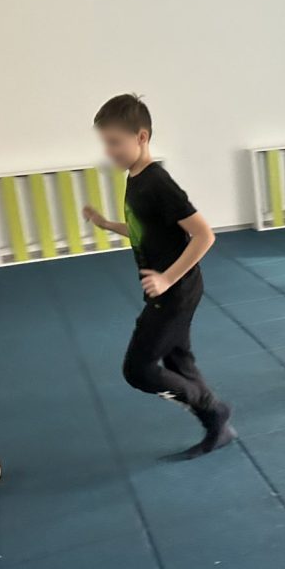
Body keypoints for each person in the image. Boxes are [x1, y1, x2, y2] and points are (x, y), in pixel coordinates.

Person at [83, 93, 234, 459]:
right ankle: (217, 427)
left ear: (142, 137)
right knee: (178, 360)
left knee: (138, 370)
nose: (110, 151)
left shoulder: (157, 182)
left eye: (115, 142)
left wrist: (167, 278)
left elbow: (204, 235)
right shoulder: (136, 178)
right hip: (171, 290)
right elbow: (145, 230)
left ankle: (213, 407)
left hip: (175, 292)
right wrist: (107, 224)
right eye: (106, 143)